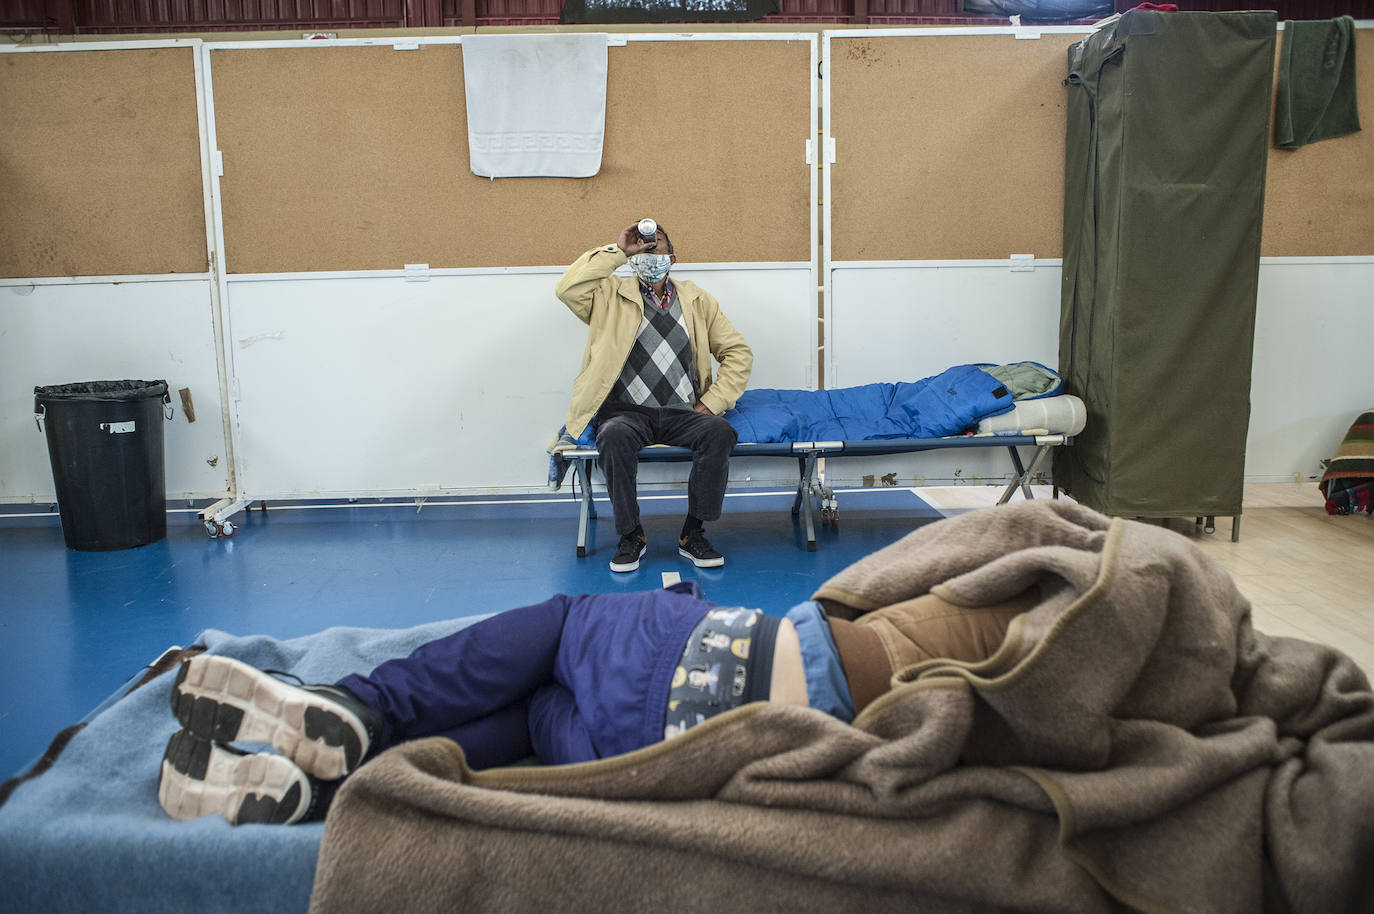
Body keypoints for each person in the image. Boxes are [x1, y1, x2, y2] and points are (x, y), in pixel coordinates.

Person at [157, 582, 1033, 826]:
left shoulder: (1046, 595)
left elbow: (904, 578)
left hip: (720, 659)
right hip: (652, 764)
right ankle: (323, 784)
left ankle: (358, 706)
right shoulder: (1044, 720)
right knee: (540, 708)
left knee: (565, 623)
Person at [555, 223, 753, 572]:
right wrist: (618, 251)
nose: (648, 256)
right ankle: (632, 535)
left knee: (719, 432)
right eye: (642, 250)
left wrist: (711, 404)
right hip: (627, 412)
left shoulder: (697, 300)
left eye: (655, 249)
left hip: (682, 412)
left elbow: (738, 352)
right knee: (613, 436)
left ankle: (693, 533)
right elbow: (567, 289)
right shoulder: (608, 296)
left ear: (671, 259)